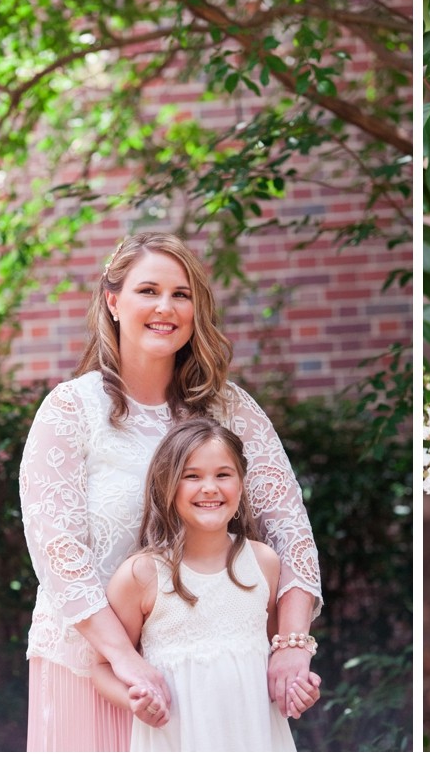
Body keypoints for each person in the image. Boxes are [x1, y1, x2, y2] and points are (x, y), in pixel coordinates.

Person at [20, 232, 322, 751]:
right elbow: (57, 551)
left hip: (212, 678)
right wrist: (126, 660)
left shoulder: (231, 410)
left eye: (181, 294)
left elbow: (291, 530)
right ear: (113, 301)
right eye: (148, 291)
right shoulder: (71, 410)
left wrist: (292, 645)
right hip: (95, 670)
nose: (166, 307)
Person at [91, 417, 321, 750]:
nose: (210, 487)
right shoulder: (141, 575)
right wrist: (135, 700)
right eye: (192, 476)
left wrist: (295, 689)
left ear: (241, 485)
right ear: (167, 485)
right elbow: (102, 667)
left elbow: (274, 658)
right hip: (178, 742)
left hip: (255, 739)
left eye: (223, 475)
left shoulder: (263, 563)